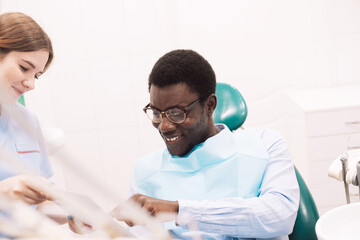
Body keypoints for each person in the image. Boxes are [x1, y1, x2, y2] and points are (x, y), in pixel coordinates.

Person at [111, 49, 300, 240]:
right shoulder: (145, 172)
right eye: (156, 113)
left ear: (209, 105)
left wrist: (178, 210)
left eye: (177, 113)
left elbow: (280, 215)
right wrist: (100, 226)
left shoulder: (265, 145)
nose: (164, 126)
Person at [0, 12, 54, 206]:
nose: (31, 84)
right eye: (24, 68)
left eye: (37, 75)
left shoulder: (28, 121)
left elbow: (41, 203)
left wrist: (72, 213)